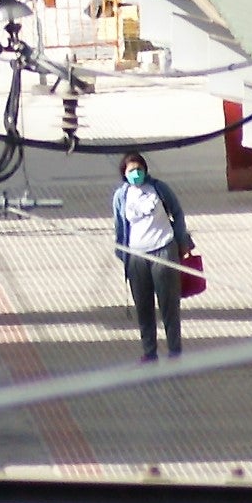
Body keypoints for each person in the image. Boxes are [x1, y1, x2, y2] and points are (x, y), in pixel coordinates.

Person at [111, 150, 193, 362]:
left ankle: (175, 350)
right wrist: (122, 252)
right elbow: (119, 226)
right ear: (124, 174)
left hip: (163, 249)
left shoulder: (158, 188)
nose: (136, 173)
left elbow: (177, 212)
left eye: (139, 169)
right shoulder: (121, 196)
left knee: (169, 304)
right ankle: (150, 351)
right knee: (143, 306)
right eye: (131, 170)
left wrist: (182, 241)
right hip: (137, 256)